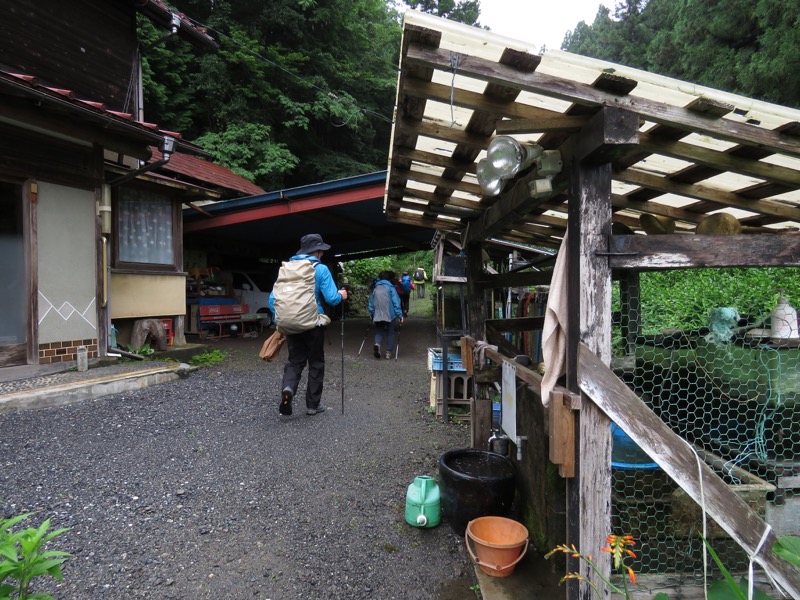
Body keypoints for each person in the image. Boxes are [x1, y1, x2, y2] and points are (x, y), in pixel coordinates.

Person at [269, 234, 347, 416]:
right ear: (318, 252)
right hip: (313, 323)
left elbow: (273, 298)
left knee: (295, 361)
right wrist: (341, 295)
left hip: (291, 324)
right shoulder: (320, 269)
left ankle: (288, 389)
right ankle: (312, 405)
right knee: (316, 363)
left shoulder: (287, 268)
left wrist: (279, 322)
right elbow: (332, 298)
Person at [369, 270, 403, 360]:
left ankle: (377, 344)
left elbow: (371, 302)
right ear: (390, 279)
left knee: (379, 331)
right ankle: (388, 353)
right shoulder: (391, 288)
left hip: (378, 314)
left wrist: (371, 313)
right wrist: (400, 315)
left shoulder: (376, 288)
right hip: (390, 314)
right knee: (390, 333)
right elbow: (396, 302)